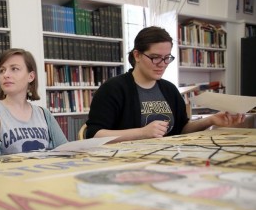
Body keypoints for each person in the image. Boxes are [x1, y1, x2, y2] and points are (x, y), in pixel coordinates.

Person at [85, 26, 245, 142]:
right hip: (127, 163)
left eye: (167, 57)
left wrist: (210, 120)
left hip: (167, 159)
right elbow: (93, 134)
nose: (162, 64)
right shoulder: (113, 89)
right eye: (155, 57)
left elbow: (181, 129)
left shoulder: (169, 89)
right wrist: (141, 133)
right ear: (137, 55)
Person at [0, 48, 67, 157]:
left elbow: (66, 151)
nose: (6, 75)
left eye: (14, 69)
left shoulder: (44, 114)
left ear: (31, 76)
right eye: (2, 70)